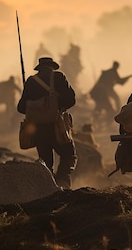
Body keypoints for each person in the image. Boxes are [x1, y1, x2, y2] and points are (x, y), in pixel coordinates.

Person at [17, 57, 77, 188]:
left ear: (39, 68)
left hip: (38, 130)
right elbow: (71, 99)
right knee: (69, 156)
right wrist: (59, 108)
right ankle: (62, 181)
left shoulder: (31, 81)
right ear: (52, 67)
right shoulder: (59, 77)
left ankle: (49, 189)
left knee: (46, 164)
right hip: (57, 127)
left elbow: (21, 108)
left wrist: (34, 106)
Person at [89, 61, 125, 126]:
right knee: (108, 109)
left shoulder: (108, 73)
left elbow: (119, 82)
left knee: (100, 108)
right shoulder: (113, 73)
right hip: (100, 94)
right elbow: (120, 82)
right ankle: (103, 124)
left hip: (98, 93)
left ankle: (96, 123)